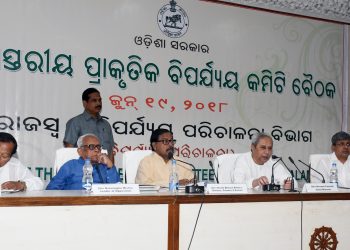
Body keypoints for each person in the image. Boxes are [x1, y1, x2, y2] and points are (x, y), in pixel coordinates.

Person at [47, 133, 120, 190]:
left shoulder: (104, 166)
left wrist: (110, 166)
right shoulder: (70, 166)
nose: (97, 150)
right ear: (80, 151)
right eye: (91, 147)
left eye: (98, 147)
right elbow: (51, 189)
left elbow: (117, 190)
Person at [63, 88, 114, 162]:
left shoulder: (106, 125)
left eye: (100, 100)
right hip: (83, 169)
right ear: (85, 103)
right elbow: (69, 150)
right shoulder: (75, 122)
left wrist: (111, 170)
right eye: (94, 100)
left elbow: (110, 151)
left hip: (104, 171)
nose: (98, 103)